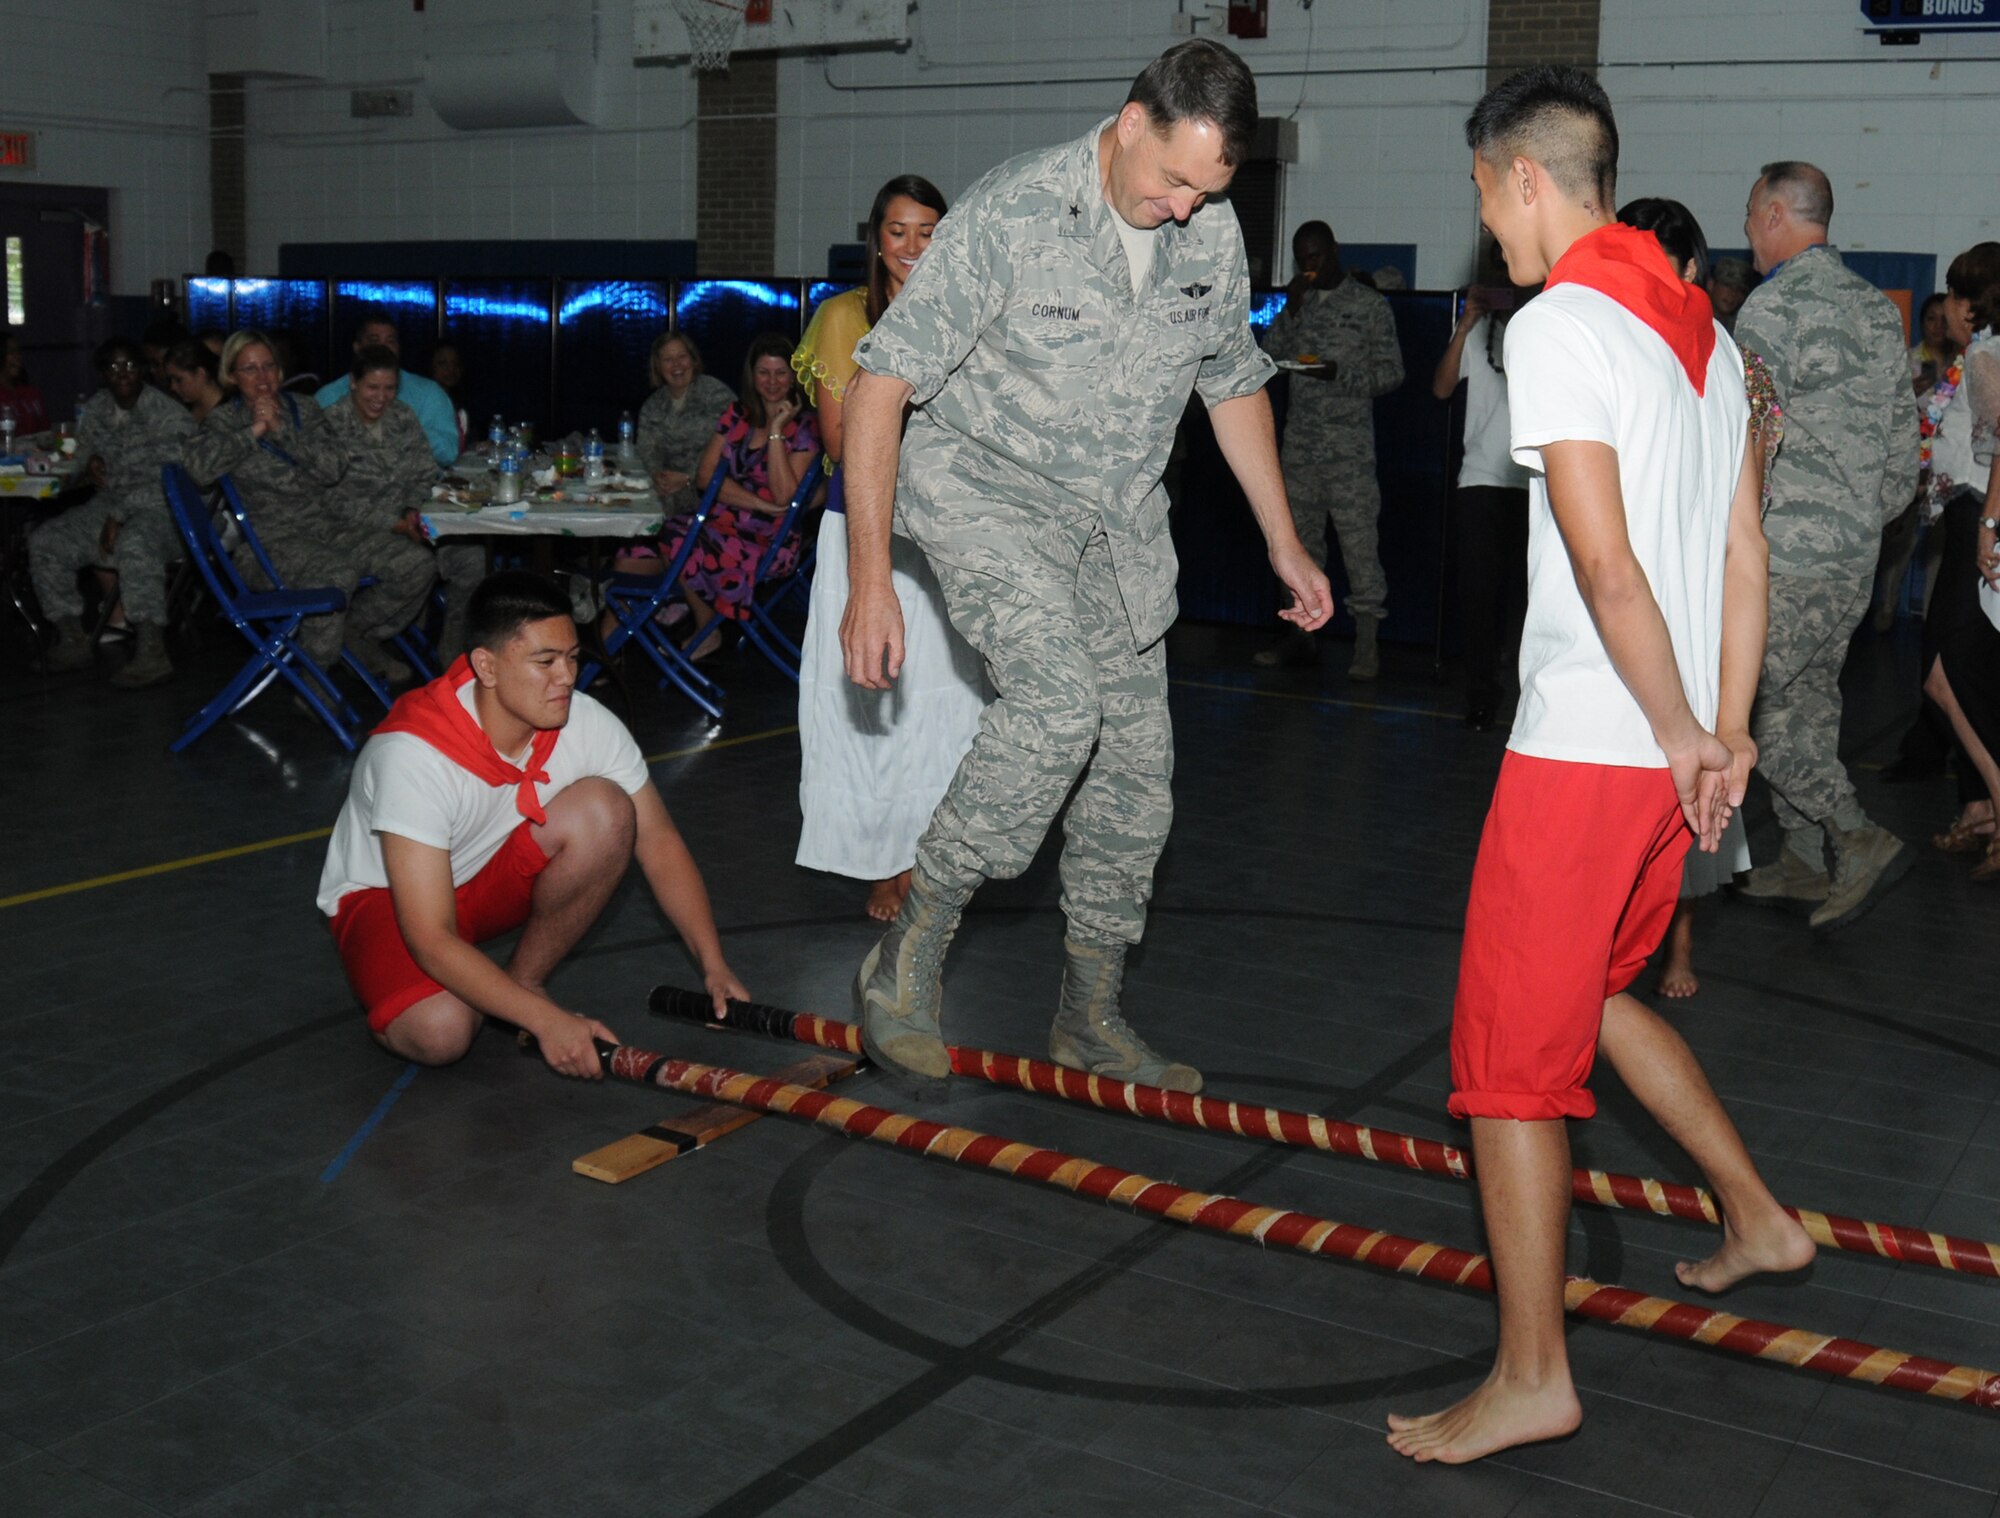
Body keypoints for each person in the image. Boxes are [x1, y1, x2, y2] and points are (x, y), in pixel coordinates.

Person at [1386, 67, 1814, 1466]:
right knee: (1597, 997)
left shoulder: (1562, 322)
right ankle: (1756, 1214)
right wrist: (1723, 731)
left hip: (1590, 744)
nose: (1488, 228)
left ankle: (1532, 1376)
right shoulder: (1711, 340)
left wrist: (1687, 730)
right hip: (1666, 762)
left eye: (1484, 197)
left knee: (1507, 1068)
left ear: (1523, 177)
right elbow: (1744, 557)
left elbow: (1603, 562)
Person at [838, 39, 1333, 1092]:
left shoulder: (1208, 230)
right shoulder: (1013, 210)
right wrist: (869, 581)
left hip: (1116, 528)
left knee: (1136, 774)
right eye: (1173, 181)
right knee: (1059, 707)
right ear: (1131, 123)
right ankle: (909, 950)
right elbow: (880, 385)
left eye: (1208, 191)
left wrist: (1283, 540)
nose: (1185, 208)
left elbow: (1231, 382)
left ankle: (1090, 1014)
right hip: (987, 496)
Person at [316, 570, 748, 1073]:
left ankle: (523, 983)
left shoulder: (584, 721)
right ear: (487, 666)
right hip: (389, 901)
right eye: (545, 661)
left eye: (572, 657)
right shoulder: (413, 755)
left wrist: (714, 965)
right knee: (442, 1031)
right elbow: (430, 937)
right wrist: (548, 1022)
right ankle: (433, 995)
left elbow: (659, 842)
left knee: (607, 811)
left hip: (482, 881)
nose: (566, 677)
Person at [793, 176, 989, 922]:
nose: (912, 245)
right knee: (872, 698)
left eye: (928, 231)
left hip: (950, 532)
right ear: (876, 238)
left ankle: (932, 857)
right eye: (898, 230)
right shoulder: (844, 317)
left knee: (949, 703)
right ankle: (884, 862)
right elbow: (844, 444)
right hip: (866, 531)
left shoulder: (968, 312)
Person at [1733, 161, 1921, 931]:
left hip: (1784, 554)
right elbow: (1904, 442)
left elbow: (1751, 438)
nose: (1747, 231)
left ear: (1777, 214)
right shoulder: (1876, 309)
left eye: (1751, 215)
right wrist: (1861, 525)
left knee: (1751, 711)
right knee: (1805, 704)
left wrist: (1743, 539)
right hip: (1853, 554)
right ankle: (1805, 860)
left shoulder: (1770, 309)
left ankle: (1855, 833)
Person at [1618, 196, 1772, 997]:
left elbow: (1746, 531)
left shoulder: (1726, 358)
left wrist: (1736, 718)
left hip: (1695, 599)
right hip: (1640, 606)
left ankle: (1675, 949)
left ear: (1691, 269)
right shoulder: (1617, 348)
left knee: (1690, 796)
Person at [1255, 219, 1404, 677]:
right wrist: (1291, 309)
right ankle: (1300, 640)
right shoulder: (1298, 301)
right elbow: (1268, 357)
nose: (1309, 266)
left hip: (1348, 454)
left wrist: (1339, 373)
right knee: (1298, 546)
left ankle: (1366, 646)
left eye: (1316, 256)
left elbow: (1392, 374)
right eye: (1302, 259)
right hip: (1299, 451)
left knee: (1360, 550)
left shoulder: (1369, 306)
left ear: (1334, 250)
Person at [182, 330, 353, 669]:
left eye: (269, 366)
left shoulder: (304, 408)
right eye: (250, 369)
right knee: (337, 574)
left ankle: (359, 640)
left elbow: (334, 468)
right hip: (268, 545)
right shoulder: (224, 420)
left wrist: (282, 431)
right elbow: (199, 470)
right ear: (231, 376)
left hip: (328, 529)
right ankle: (315, 678)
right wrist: (256, 430)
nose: (262, 377)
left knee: (412, 563)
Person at [30, 336, 195, 685]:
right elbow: (83, 452)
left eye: (130, 365)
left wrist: (119, 515)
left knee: (135, 543)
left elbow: (171, 482)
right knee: (47, 540)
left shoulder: (167, 415)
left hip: (164, 510)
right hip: (110, 504)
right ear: (103, 373)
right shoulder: (97, 409)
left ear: (144, 370)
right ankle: (72, 637)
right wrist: (86, 462)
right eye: (113, 366)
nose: (122, 373)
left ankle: (151, 649)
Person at [1915, 245, 2000, 880]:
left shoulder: (1987, 355)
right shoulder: (1977, 356)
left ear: (1971, 303)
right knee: (1957, 674)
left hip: (1977, 519)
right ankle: (1979, 809)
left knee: (1947, 675)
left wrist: (1988, 527)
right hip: (1966, 515)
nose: (1944, 306)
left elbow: (1999, 447)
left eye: (1951, 294)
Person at [667, 332, 822, 660]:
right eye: (764, 372)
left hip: (770, 539)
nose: (772, 381)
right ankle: (697, 625)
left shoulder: (805, 428)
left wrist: (777, 430)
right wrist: (761, 503)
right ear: (752, 376)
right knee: (643, 546)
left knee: (678, 538)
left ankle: (703, 629)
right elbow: (705, 477)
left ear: (793, 376)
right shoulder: (737, 414)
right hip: (721, 524)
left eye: (780, 373)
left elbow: (784, 495)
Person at [318, 344, 460, 682]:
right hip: (344, 531)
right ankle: (354, 633)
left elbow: (424, 471)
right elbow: (329, 498)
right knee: (417, 565)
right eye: (372, 387)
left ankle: (362, 634)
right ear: (353, 383)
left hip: (400, 524)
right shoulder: (330, 424)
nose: (381, 397)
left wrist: (411, 508)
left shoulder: (402, 417)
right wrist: (394, 523)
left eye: (389, 388)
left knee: (462, 558)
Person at [1432, 271, 1530, 729]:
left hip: (1535, 484)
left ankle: (1527, 696)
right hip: (1480, 480)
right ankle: (1481, 694)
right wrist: (1466, 323)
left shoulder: (1543, 331)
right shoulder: (1478, 335)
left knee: (1525, 598)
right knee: (1479, 595)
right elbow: (1441, 388)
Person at [316, 310, 460, 467]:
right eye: (374, 340)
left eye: (390, 341)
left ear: (398, 347)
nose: (383, 347)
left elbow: (448, 454)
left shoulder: (429, 393)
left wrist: (405, 428)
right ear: (357, 347)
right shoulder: (328, 396)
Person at [635, 330, 736, 519]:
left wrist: (689, 476)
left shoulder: (715, 394)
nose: (677, 365)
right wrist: (658, 476)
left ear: (693, 360)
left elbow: (735, 444)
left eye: (682, 356)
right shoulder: (653, 406)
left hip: (713, 496)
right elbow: (647, 450)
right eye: (668, 359)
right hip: (667, 496)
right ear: (658, 367)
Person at [162, 337, 227, 425]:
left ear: (200, 374)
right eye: (171, 380)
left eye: (178, 380)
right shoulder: (182, 407)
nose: (173, 387)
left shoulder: (227, 415)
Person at [0, 330, 49, 437]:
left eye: (18, 351)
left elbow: (45, 431)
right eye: (11, 352)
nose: (18, 357)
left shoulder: (31, 393)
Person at [429, 339, 469, 456]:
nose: (451, 370)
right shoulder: (425, 405)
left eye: (455, 364)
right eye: (443, 364)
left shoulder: (461, 402)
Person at [1709, 256, 1757, 335]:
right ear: (1711, 284)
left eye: (1740, 289)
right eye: (1727, 285)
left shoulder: (1742, 327)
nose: (1733, 293)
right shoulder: (1694, 318)